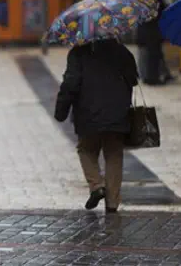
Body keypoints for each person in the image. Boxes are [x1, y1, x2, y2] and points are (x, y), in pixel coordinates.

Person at [54, 39, 138, 213]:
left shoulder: (78, 53)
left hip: (87, 113)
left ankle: (97, 185)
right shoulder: (121, 50)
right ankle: (112, 202)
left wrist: (61, 110)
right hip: (117, 112)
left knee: (86, 149)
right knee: (114, 153)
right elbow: (133, 79)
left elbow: (71, 83)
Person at [137, 0, 174, 85]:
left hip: (147, 31)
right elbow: (162, 13)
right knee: (153, 55)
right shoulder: (156, 0)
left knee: (151, 55)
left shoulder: (141, 1)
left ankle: (151, 77)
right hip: (153, 32)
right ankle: (153, 78)